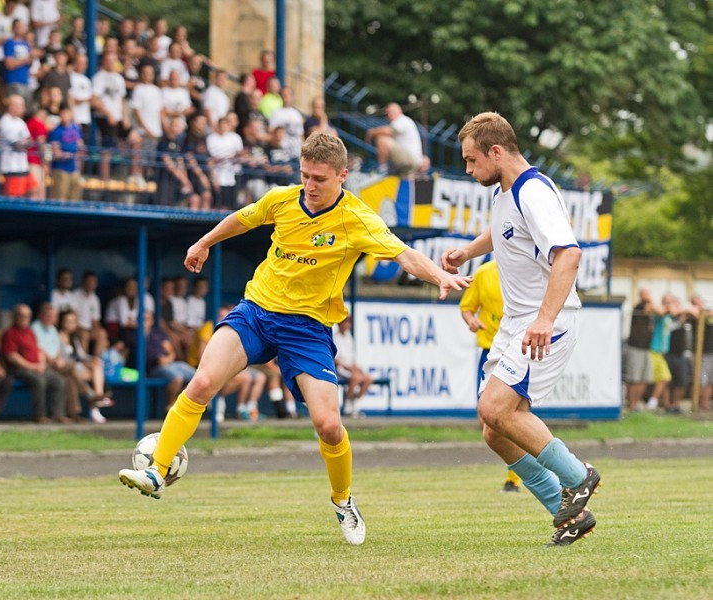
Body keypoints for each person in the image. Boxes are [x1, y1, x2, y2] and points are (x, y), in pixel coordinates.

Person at [119, 131, 470, 546]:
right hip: (258, 312)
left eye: (320, 178)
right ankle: (157, 471)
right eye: (305, 175)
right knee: (202, 382)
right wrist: (203, 242)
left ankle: (343, 500)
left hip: (307, 329)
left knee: (329, 426)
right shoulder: (283, 200)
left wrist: (440, 275)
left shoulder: (356, 219)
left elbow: (404, 255)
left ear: (342, 175)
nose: (311, 185)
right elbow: (243, 217)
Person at [441, 112, 601, 547]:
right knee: (493, 428)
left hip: (547, 321)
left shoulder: (533, 191)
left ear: (497, 152)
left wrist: (544, 320)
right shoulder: (507, 193)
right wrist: (467, 252)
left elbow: (568, 254)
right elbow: (504, 233)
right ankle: (570, 515)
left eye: (472, 161)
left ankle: (578, 475)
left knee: (498, 409)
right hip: (518, 323)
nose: (470, 170)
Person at [458, 259, 523, 493]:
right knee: (487, 419)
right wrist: (471, 320)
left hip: (518, 351)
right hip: (490, 353)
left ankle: (515, 478)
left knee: (513, 415)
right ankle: (528, 466)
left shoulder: (526, 268)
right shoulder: (484, 273)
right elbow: (467, 306)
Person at [1, 303, 67, 423]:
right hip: (19, 369)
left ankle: (58, 414)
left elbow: (38, 350)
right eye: (22, 316)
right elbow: (12, 356)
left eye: (27, 316)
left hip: (36, 367)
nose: (25, 319)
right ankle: (39, 415)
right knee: (39, 381)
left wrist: (41, 364)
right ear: (16, 317)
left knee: (59, 381)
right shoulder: (10, 333)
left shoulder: (30, 332)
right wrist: (32, 366)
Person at [58, 309, 113, 423]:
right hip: (68, 368)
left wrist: (92, 359)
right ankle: (92, 396)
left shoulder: (74, 338)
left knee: (96, 365)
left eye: (73, 321)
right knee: (75, 369)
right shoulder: (58, 337)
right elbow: (64, 359)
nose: (71, 324)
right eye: (68, 321)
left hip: (78, 367)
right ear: (62, 322)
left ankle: (98, 395)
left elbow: (81, 355)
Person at [365, 102, 430, 177]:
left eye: (390, 112)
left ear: (399, 111)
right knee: (385, 139)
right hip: (412, 160)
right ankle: (388, 169)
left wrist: (372, 132)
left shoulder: (401, 120)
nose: (388, 116)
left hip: (410, 160)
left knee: (382, 139)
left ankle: (382, 170)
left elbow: (388, 131)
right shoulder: (405, 121)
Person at [332, 315, 372, 419]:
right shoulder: (335, 338)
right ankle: (348, 408)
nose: (347, 325)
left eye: (348, 322)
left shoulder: (349, 338)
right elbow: (337, 361)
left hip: (351, 368)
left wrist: (356, 367)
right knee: (356, 378)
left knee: (368, 379)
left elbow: (352, 357)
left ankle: (355, 404)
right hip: (340, 369)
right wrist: (349, 368)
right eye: (345, 322)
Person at [624, 288, 655, 411]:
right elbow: (649, 307)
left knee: (644, 378)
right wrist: (649, 300)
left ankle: (636, 403)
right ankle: (631, 405)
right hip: (635, 347)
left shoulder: (650, 308)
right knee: (634, 378)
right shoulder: (639, 307)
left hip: (646, 348)